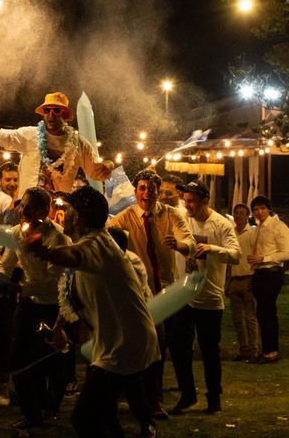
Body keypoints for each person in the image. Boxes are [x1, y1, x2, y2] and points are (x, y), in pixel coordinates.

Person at [25, 186, 159, 438]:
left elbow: (72, 255)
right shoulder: (92, 248)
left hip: (124, 344)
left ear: (78, 216)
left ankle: (146, 422)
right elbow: (69, 294)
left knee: (83, 418)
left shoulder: (97, 243)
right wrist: (58, 331)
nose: (61, 214)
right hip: (114, 342)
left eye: (67, 209)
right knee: (104, 412)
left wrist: (42, 251)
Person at [109, 169, 195, 418]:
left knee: (160, 347)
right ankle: (135, 395)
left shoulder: (171, 215)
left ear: (159, 191)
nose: (147, 193)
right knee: (141, 346)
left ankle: (154, 399)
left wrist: (179, 245)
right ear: (136, 191)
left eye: (152, 188)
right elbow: (106, 237)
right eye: (142, 188)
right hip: (138, 295)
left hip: (165, 292)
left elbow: (188, 240)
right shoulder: (126, 217)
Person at [0, 187, 72, 429]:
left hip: (53, 308)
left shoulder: (58, 238)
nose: (24, 212)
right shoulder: (17, 233)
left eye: (30, 208)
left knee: (46, 362)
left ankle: (47, 407)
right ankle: (32, 413)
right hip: (28, 305)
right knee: (17, 358)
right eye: (23, 206)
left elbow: (52, 280)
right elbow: (5, 264)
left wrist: (21, 287)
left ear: (44, 211)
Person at [170, 179, 240, 415]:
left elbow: (235, 255)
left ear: (205, 201)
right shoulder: (182, 218)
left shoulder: (221, 225)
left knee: (210, 351)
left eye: (192, 201)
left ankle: (213, 398)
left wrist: (213, 250)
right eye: (185, 200)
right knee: (179, 348)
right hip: (183, 296)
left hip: (209, 299)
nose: (187, 205)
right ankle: (187, 395)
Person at [0, 92, 113, 197]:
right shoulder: (30, 134)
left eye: (57, 110)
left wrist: (109, 165)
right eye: (47, 110)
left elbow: (97, 173)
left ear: (66, 116)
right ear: (43, 114)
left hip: (58, 210)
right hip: (27, 207)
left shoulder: (80, 144)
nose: (51, 114)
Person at [247, 195, 289, 364]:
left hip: (272, 272)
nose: (259, 211)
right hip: (259, 273)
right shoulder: (258, 228)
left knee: (267, 311)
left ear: (269, 209)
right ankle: (266, 350)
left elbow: (286, 252)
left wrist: (263, 259)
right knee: (262, 313)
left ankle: (271, 352)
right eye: (256, 209)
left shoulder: (278, 226)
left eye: (262, 208)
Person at [227, 203, 259, 361]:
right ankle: (243, 349)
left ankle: (253, 349)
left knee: (250, 317)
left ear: (247, 216)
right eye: (236, 213)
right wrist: (227, 283)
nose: (239, 216)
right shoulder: (230, 234)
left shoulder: (252, 234)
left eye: (242, 213)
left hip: (248, 278)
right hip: (234, 280)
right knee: (237, 319)